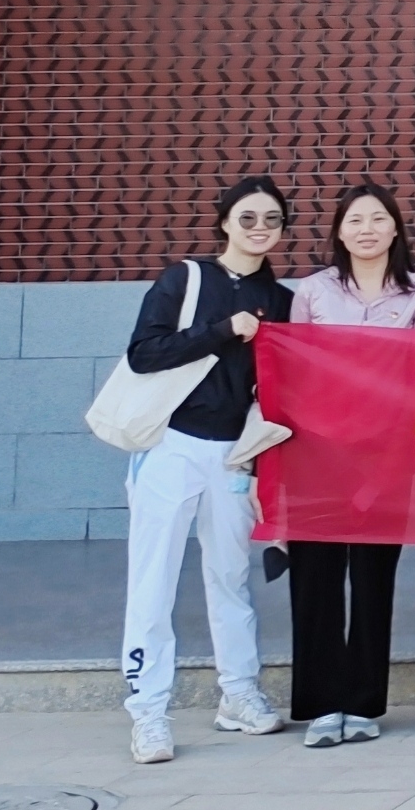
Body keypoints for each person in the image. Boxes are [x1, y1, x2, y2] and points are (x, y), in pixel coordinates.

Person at [119, 175, 296, 765]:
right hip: (171, 444)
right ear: (224, 222)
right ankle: (147, 711)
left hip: (234, 453)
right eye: (248, 218)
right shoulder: (185, 279)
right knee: (154, 580)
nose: (260, 229)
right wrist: (221, 332)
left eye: (271, 219)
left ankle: (238, 693)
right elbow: (144, 354)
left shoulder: (281, 299)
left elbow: (279, 388)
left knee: (230, 576)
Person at [287, 184, 415, 747]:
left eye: (378, 219)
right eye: (355, 220)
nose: (367, 229)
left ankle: (364, 702)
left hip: (388, 452)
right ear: (339, 231)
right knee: (316, 579)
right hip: (317, 452)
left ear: (396, 228)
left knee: (373, 579)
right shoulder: (313, 291)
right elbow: (293, 371)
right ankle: (322, 704)